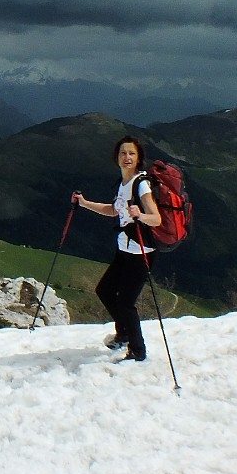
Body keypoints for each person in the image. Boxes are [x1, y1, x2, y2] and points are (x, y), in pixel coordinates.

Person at [71, 135, 162, 362]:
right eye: (123, 153)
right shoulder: (124, 185)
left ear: (138, 157)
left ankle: (137, 350)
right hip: (125, 250)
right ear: (117, 157)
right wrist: (84, 203)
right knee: (105, 290)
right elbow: (113, 210)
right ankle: (123, 333)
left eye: (131, 153)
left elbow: (156, 219)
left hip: (141, 252)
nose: (127, 157)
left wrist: (140, 215)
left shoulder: (142, 185)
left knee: (125, 302)